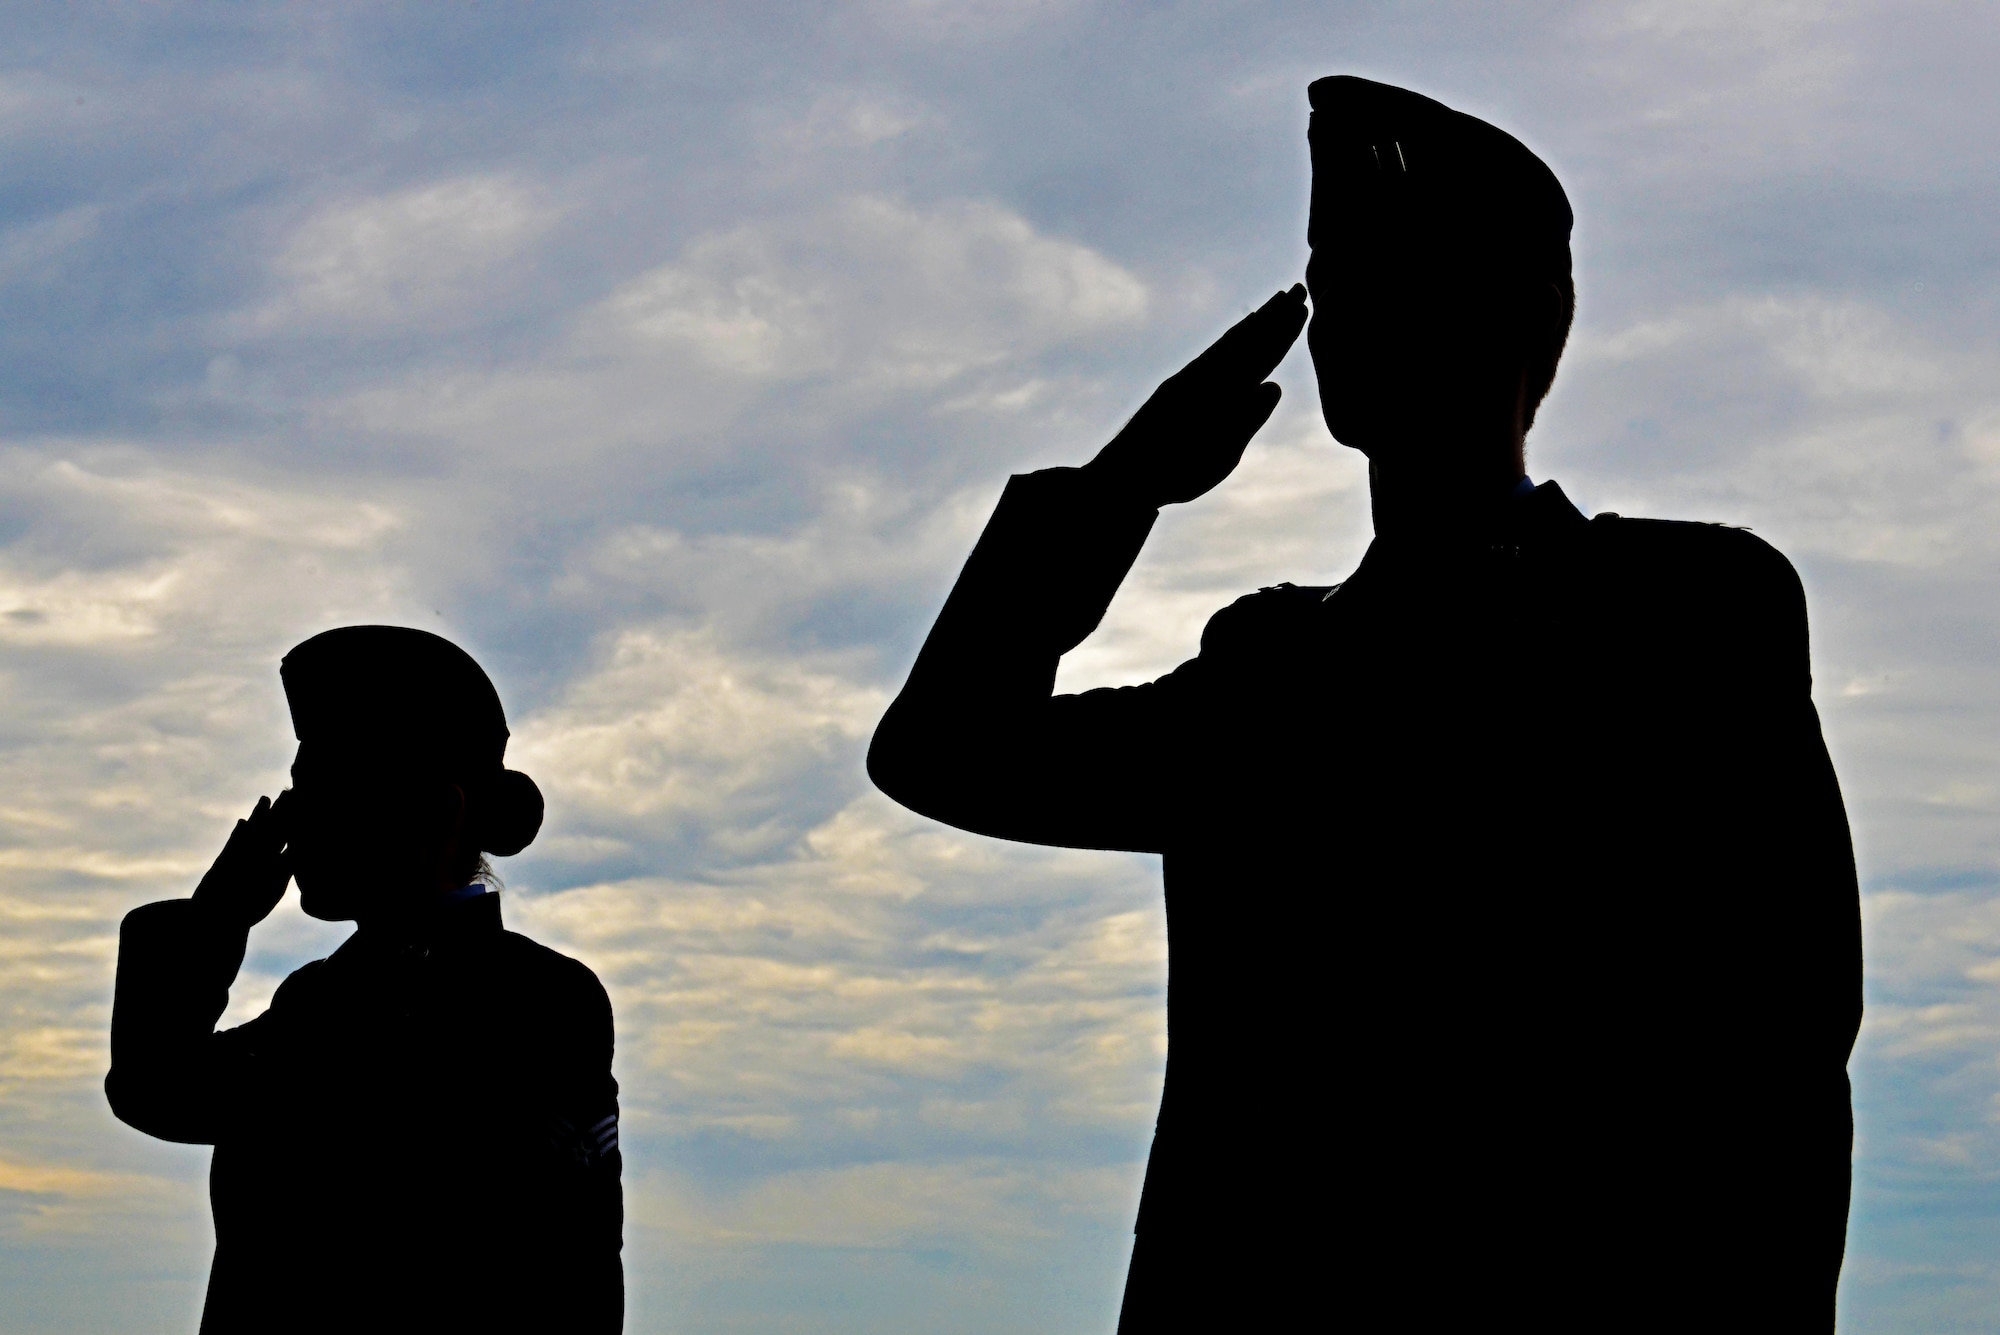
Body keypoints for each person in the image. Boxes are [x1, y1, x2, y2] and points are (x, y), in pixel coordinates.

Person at [869, 75, 1861, 1330]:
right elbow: (942, 752)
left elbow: (1781, 1062)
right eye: (1329, 281)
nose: (1344, 313)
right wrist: (1119, 489)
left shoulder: (1684, 610)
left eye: (1393, 270)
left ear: (1523, 319)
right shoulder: (1267, 671)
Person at [106, 626, 622, 1334]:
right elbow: (156, 1087)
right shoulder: (320, 1001)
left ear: (438, 813)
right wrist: (215, 918)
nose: (293, 820)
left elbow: (568, 1285)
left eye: (325, 790)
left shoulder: (540, 1003)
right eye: (296, 790)